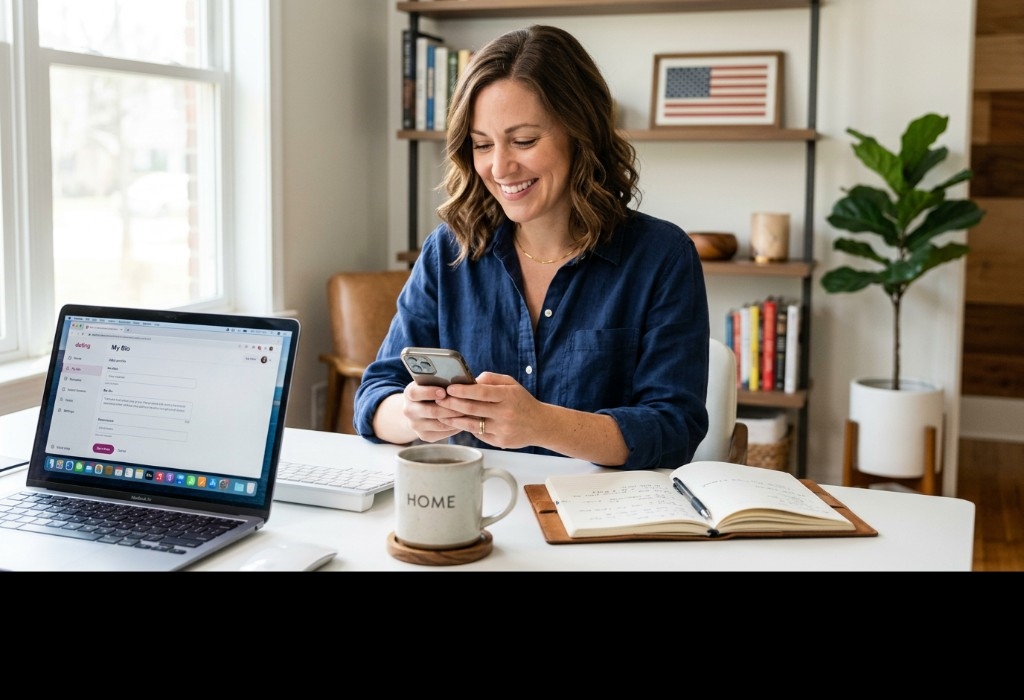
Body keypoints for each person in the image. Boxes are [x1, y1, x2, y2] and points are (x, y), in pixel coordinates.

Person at [354, 24, 709, 470]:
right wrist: (413, 416)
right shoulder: (449, 251)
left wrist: (541, 424)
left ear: (582, 135)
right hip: (475, 509)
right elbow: (374, 396)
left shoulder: (661, 255)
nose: (500, 167)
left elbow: (675, 428)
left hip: (601, 523)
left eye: (524, 141)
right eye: (482, 144)